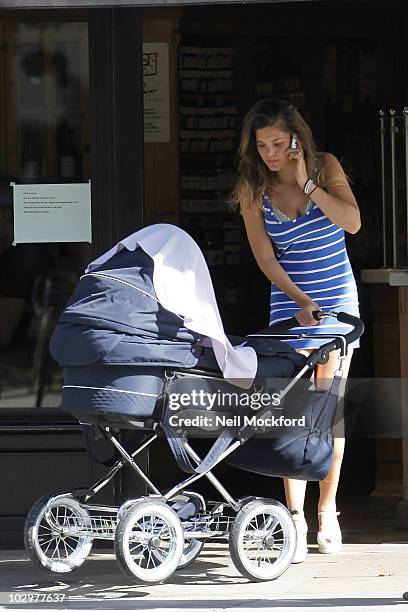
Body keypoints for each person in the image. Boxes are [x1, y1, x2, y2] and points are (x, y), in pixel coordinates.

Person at [230, 99, 361, 563]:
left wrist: (309, 183)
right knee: (292, 411)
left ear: (296, 140)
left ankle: (328, 511)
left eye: (278, 143)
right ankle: (294, 515)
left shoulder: (325, 168)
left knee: (330, 411)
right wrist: (300, 301)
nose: (269, 153)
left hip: (337, 309)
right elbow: (265, 257)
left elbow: (352, 221)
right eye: (261, 144)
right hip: (291, 307)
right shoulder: (254, 187)